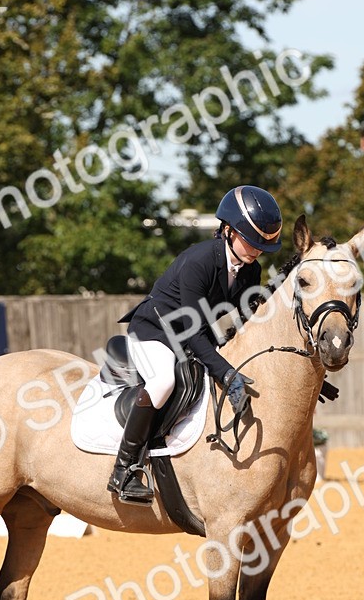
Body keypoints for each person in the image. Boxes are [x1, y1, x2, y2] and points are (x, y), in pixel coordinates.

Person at [108, 185, 283, 504]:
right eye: (251, 241)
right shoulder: (199, 261)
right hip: (155, 330)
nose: (257, 250)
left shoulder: (250, 270)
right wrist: (227, 374)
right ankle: (124, 470)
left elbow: (249, 321)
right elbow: (191, 332)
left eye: (262, 245)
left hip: (193, 335)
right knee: (163, 381)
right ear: (229, 231)